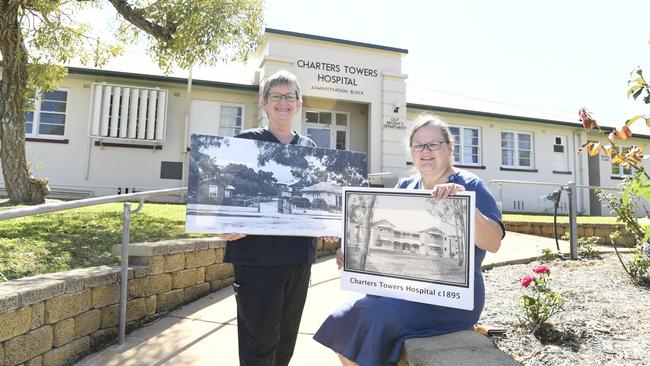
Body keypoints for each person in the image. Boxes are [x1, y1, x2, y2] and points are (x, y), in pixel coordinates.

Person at [313, 114, 505, 366]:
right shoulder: (406, 186)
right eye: (418, 145)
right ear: (411, 151)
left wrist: (465, 205)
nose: (425, 151)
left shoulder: (469, 184)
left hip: (450, 299)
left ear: (449, 148)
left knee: (375, 315)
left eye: (433, 144)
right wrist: (354, 258)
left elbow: (493, 242)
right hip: (403, 290)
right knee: (346, 314)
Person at [220, 70, 338, 366]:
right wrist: (223, 223)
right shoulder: (245, 141)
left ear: (298, 104)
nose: (283, 102)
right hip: (256, 261)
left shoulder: (309, 148)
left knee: (285, 341)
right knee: (258, 343)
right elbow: (225, 194)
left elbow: (317, 202)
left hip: (298, 259)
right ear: (264, 102)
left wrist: (327, 225)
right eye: (276, 96)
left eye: (289, 96)